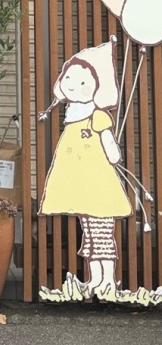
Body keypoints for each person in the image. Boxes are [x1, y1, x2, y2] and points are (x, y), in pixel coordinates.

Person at [38, 37, 131, 299]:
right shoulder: (72, 118)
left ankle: (108, 281)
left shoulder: (97, 115)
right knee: (90, 234)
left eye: (82, 82)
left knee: (102, 236)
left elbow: (109, 144)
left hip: (98, 186)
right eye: (69, 78)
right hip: (82, 188)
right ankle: (95, 279)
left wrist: (113, 154)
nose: (72, 85)